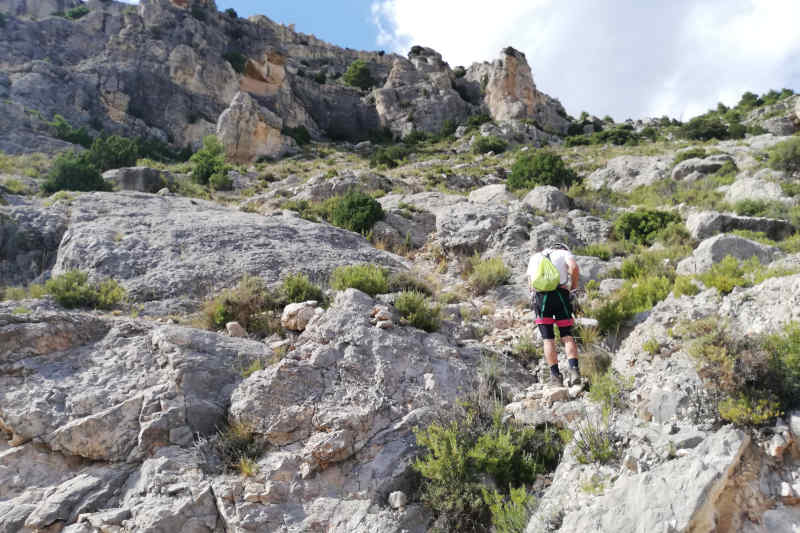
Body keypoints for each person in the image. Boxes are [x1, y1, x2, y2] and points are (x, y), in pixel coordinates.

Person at [527, 242, 581, 387]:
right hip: (561, 296)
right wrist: (573, 288)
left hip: (541, 298)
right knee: (567, 335)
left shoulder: (534, 257)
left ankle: (556, 376)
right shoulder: (564, 253)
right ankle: (574, 371)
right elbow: (574, 268)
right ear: (563, 248)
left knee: (548, 339)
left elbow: (531, 285)